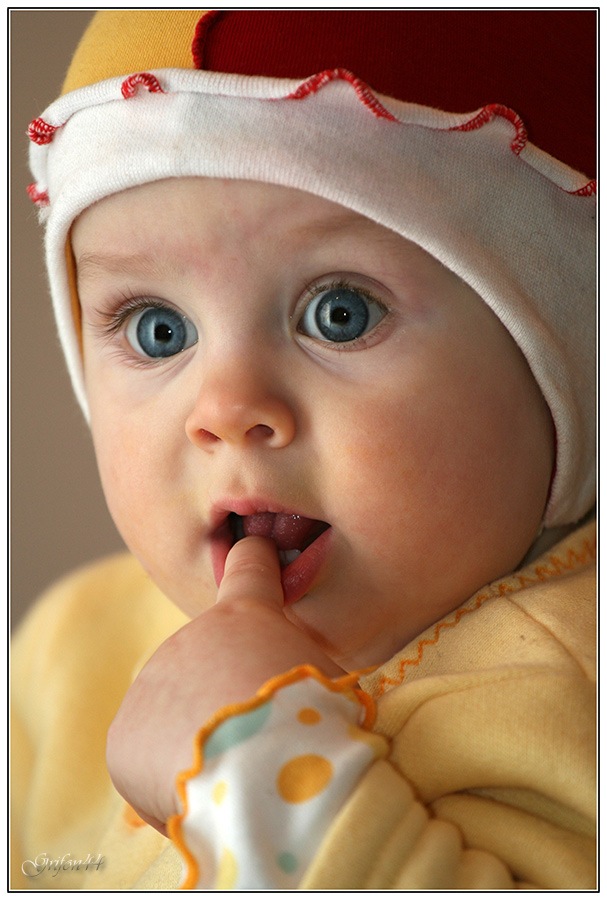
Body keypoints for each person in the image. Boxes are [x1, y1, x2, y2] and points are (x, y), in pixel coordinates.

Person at [12, 10, 596, 891]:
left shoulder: (575, 692)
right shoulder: (66, 650)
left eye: (339, 314)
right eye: (159, 329)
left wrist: (257, 778)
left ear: (563, 364)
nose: (226, 410)